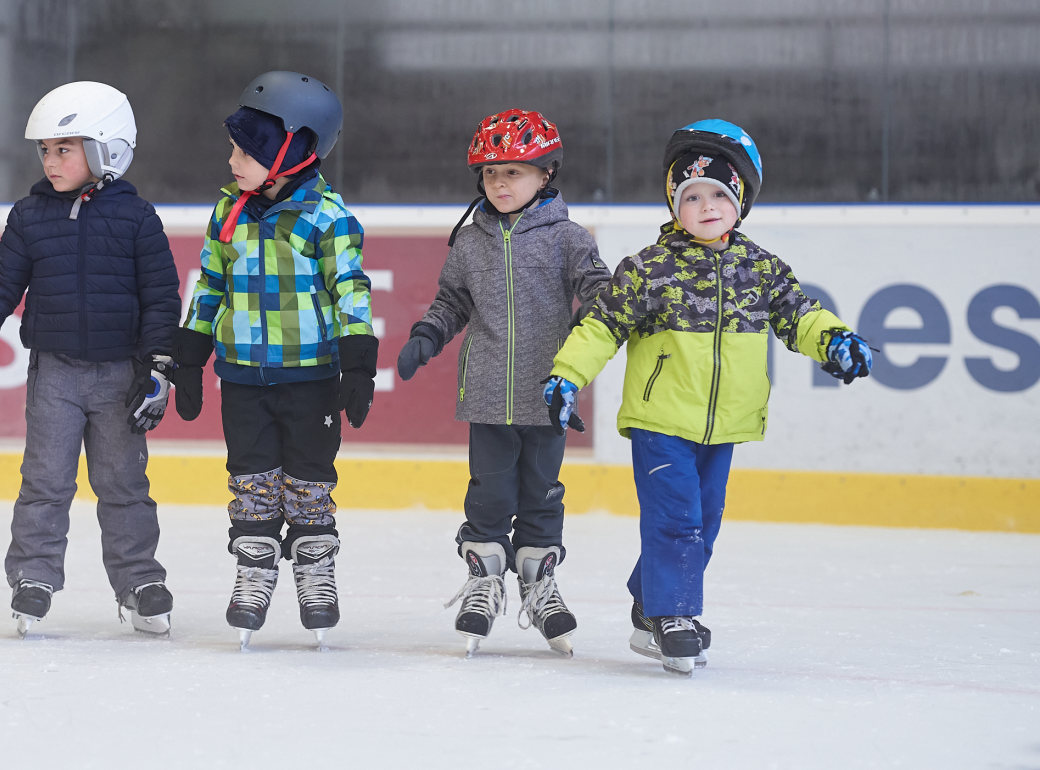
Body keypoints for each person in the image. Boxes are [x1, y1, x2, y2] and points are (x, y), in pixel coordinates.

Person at [543, 119, 874, 676]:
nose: (706, 206)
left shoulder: (761, 269)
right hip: (660, 421)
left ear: (740, 200)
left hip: (725, 425)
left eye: (718, 193)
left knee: (705, 524)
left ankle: (650, 602)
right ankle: (674, 615)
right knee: (677, 520)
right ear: (675, 206)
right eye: (690, 196)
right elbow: (601, 327)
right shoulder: (649, 269)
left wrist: (835, 340)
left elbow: (801, 317)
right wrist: (567, 376)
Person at [0, 81, 181, 639]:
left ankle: (139, 581)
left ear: (107, 150)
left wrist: (158, 366)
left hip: (120, 376)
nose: (50, 162)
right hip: (54, 374)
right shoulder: (30, 217)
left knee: (124, 484)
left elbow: (161, 298)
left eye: (64, 149)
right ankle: (33, 576)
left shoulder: (137, 219)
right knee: (45, 482)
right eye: (45, 150)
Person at [173, 71, 377, 651]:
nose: (232, 160)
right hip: (242, 376)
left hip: (311, 377)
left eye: (246, 151)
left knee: (309, 479)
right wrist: (191, 353)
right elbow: (209, 284)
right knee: (252, 480)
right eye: (233, 147)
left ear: (289, 153)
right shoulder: (228, 212)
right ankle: (254, 570)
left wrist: (358, 361)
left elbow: (350, 289)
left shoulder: (327, 217)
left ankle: (314, 569)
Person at [397, 109, 610, 657]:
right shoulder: (471, 243)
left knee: (542, 497)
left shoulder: (569, 239)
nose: (499, 183)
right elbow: (452, 302)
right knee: (488, 497)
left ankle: (539, 584)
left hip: (549, 396)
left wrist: (591, 323)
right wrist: (427, 334)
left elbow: (601, 292)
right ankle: (484, 581)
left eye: (513, 172)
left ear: (545, 174)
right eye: (490, 173)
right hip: (487, 396)